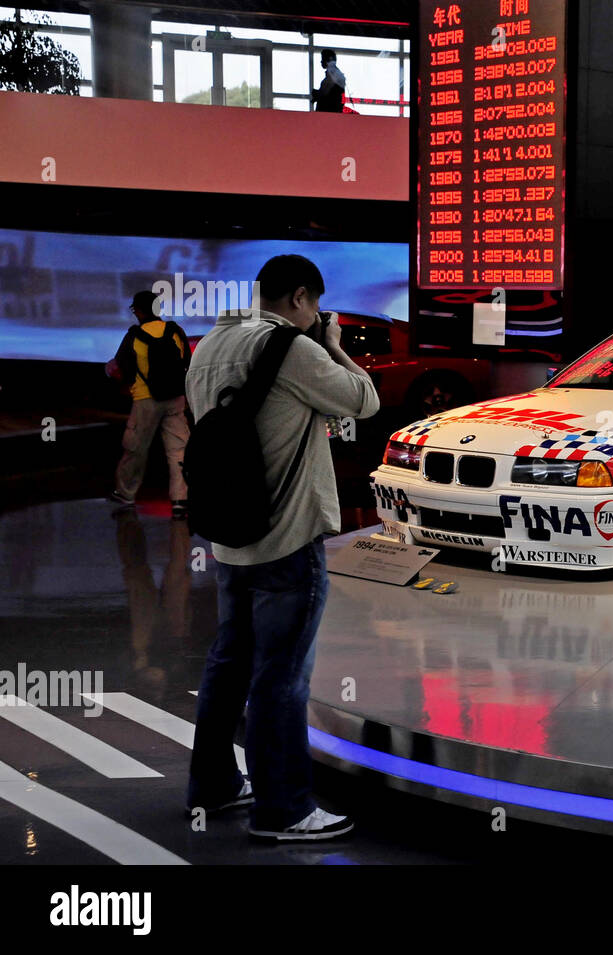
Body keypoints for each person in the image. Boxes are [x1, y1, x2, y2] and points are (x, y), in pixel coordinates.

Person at [184, 254, 378, 841]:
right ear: (299, 297)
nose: (316, 316)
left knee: (228, 664)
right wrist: (334, 344)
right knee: (282, 674)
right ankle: (284, 808)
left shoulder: (210, 347)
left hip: (229, 537)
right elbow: (363, 400)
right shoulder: (294, 349)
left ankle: (214, 786)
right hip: (286, 540)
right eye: (314, 306)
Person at [106, 290, 191, 518]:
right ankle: (180, 500)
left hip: (146, 400)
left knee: (135, 448)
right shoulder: (175, 331)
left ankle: (126, 494)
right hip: (175, 399)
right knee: (179, 450)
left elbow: (120, 369)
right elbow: (186, 363)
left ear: (140, 311)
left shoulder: (134, 335)